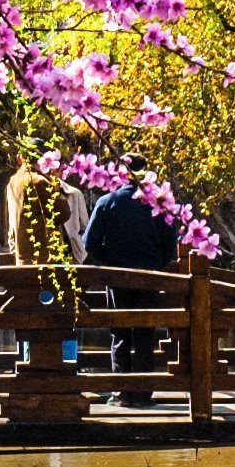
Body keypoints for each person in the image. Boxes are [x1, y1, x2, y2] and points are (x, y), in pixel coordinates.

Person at [80, 164, 181, 406]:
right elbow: (170, 246)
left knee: (120, 334)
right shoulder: (157, 204)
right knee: (145, 334)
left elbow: (89, 242)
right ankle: (143, 395)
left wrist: (110, 261)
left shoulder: (107, 201)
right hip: (149, 277)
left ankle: (122, 394)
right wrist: (156, 264)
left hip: (117, 279)